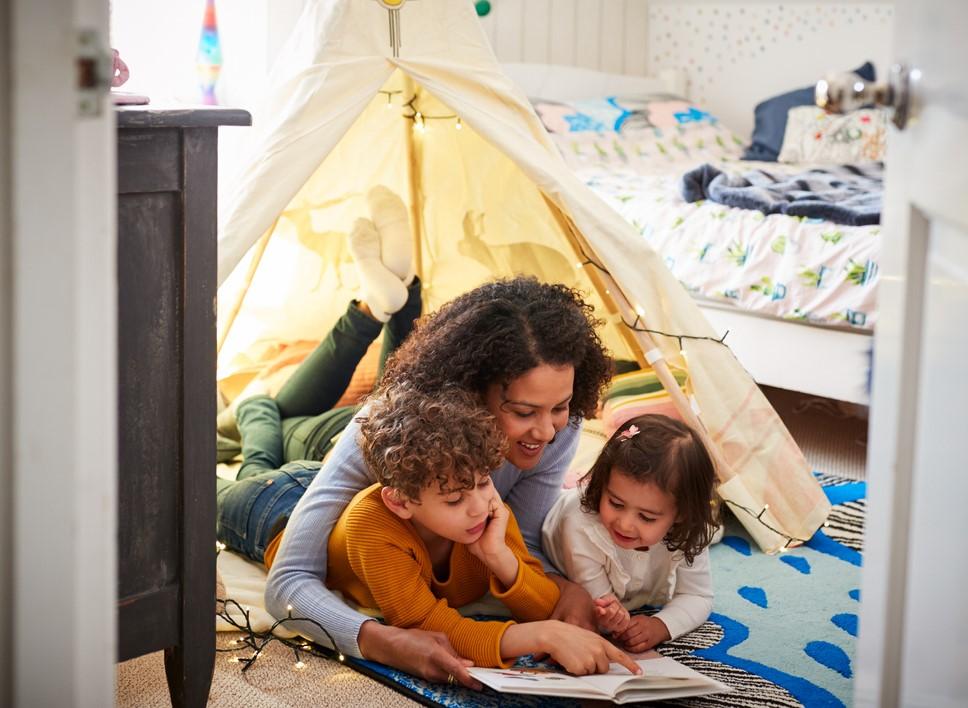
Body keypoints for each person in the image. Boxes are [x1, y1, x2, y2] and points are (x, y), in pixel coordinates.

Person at [264, 275, 612, 688]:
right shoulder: (375, 429)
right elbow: (287, 581)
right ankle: (260, 410)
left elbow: (523, 542)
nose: (548, 432)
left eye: (561, 406)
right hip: (287, 491)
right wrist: (381, 641)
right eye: (523, 412)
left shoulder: (558, 430)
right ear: (469, 391)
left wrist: (563, 587)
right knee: (266, 440)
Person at [320, 382, 639, 675]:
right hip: (279, 503)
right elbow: (425, 625)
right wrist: (542, 636)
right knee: (269, 441)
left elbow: (545, 606)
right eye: (455, 499)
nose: (479, 506)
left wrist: (500, 557)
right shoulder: (373, 524)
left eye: (484, 481)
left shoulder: (489, 511)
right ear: (401, 502)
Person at [216, 186, 422, 566]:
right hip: (353, 434)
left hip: (345, 432)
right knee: (263, 407)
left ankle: (395, 298)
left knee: (400, 391)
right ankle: (375, 306)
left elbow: (259, 408)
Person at [542, 414, 719, 654]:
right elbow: (599, 607)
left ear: (682, 514)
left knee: (710, 531)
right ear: (602, 485)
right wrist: (610, 616)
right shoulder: (579, 525)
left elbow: (698, 595)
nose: (625, 524)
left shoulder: (691, 530)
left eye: (646, 517)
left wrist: (661, 625)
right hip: (558, 533)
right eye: (615, 503)